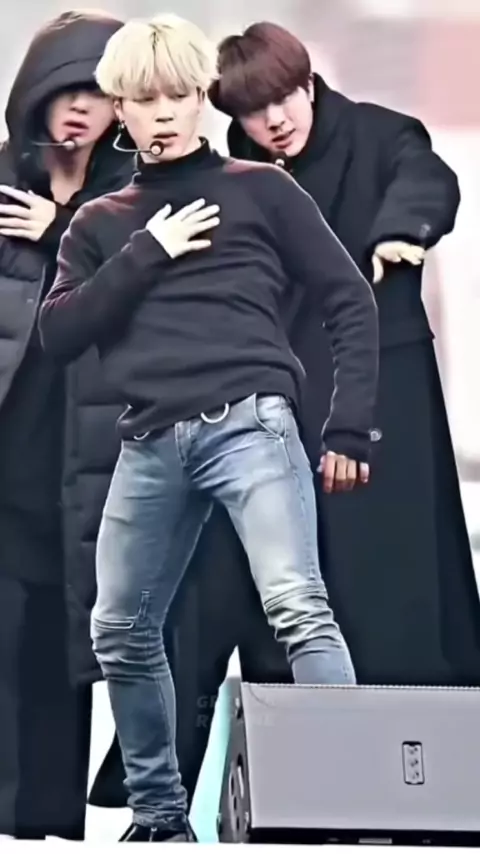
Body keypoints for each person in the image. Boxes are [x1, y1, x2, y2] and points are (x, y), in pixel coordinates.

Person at [39, 13, 379, 842]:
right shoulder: (101, 221)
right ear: (121, 109)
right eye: (143, 98)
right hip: (149, 441)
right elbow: (58, 334)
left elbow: (349, 300)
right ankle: (159, 818)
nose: (162, 112)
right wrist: (147, 251)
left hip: (249, 425)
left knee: (298, 606)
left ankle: (348, 810)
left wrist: (348, 428)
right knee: (119, 627)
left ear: (201, 98)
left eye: (178, 95)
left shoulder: (262, 189)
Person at [209, 20, 480, 690]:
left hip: (385, 386)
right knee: (292, 568)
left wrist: (401, 232)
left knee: (395, 565)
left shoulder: (379, 133)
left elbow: (427, 180)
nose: (274, 121)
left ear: (309, 84)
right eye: (254, 110)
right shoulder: (236, 170)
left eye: (283, 99)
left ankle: (414, 716)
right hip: (285, 389)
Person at [0, 9, 136, 840]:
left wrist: (59, 236)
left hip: (88, 456)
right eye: (66, 88)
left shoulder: (131, 198)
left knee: (65, 636)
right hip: (11, 447)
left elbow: (143, 294)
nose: (80, 106)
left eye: (98, 91)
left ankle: (50, 821)